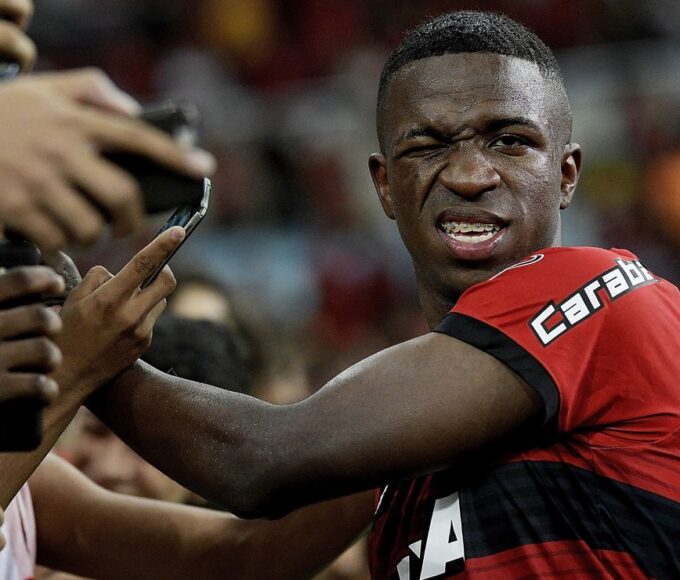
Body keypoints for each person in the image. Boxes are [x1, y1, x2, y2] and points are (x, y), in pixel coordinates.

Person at [72, 10, 678, 579]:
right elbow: (243, 558)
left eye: (510, 141)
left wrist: (77, 343)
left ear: (567, 175)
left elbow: (255, 461)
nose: (470, 176)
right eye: (428, 146)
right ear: (385, 185)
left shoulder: (606, 297)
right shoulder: (401, 428)